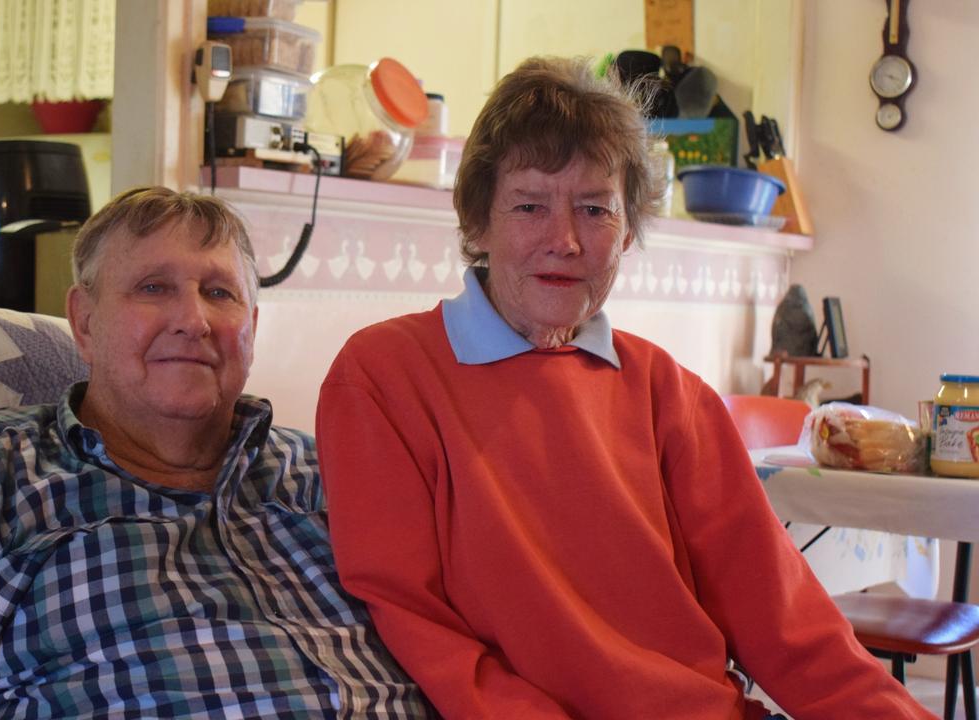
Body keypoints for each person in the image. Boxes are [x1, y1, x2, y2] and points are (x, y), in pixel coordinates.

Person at [314, 57, 932, 719]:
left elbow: (792, 624)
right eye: (529, 206)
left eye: (594, 209)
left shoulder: (670, 394)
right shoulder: (384, 378)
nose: (566, 240)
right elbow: (418, 625)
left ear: (627, 231)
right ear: (476, 224)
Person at [0, 187, 430, 718]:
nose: (193, 320)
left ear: (252, 330)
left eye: (219, 292)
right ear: (86, 322)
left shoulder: (330, 477)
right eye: (153, 288)